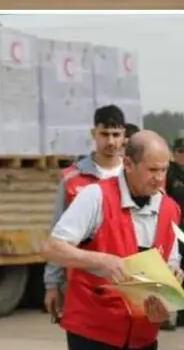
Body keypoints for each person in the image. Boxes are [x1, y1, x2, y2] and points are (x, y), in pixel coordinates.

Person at [41, 131, 182, 350]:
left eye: (164, 169)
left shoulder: (170, 208)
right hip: (94, 334)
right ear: (127, 164)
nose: (160, 178)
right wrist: (99, 261)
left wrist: (168, 296)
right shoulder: (94, 197)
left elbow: (172, 263)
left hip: (143, 337)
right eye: (153, 170)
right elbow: (52, 247)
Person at [44, 105, 127, 323]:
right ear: (94, 134)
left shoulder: (132, 179)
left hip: (125, 280)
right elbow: (57, 236)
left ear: (124, 136)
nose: (111, 142)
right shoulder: (72, 179)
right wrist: (52, 284)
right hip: (81, 285)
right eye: (105, 134)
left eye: (116, 135)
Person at [161, 135, 184, 331]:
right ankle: (164, 313)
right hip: (174, 226)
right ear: (173, 153)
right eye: (180, 152)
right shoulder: (168, 174)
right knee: (170, 270)